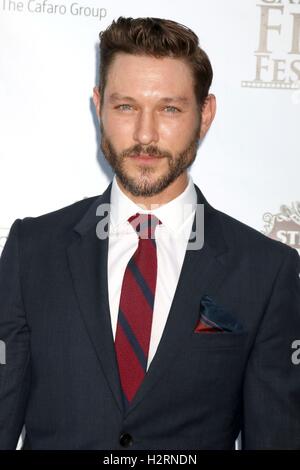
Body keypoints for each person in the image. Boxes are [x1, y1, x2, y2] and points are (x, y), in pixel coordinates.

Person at [0, 16, 299, 451]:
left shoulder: (267, 271)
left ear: (206, 114)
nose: (144, 134)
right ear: (99, 105)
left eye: (170, 109)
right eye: (125, 106)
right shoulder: (33, 251)